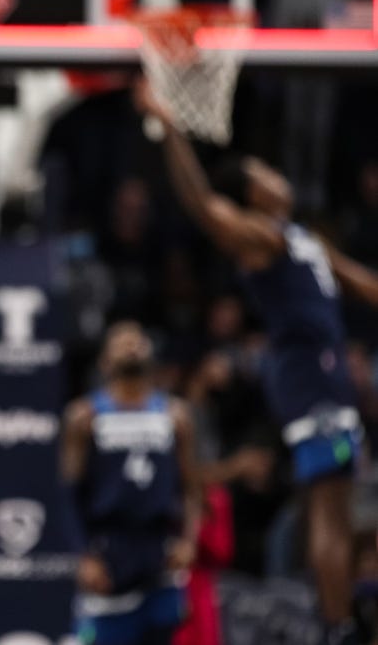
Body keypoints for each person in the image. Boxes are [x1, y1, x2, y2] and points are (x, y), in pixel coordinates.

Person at [137, 80, 374, 645]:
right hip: (307, 375)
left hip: (327, 371)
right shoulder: (260, 238)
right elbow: (201, 205)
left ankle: (339, 620)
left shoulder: (300, 237)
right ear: (254, 196)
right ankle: (337, 626)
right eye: (263, 173)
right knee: (329, 506)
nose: (276, 176)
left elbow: (363, 283)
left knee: (339, 506)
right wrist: (169, 126)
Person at [61, 321, 202, 645]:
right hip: (110, 548)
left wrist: (189, 541)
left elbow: (192, 487)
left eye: (138, 339)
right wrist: (83, 556)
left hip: (159, 547)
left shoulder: (175, 415)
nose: (132, 345)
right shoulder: (84, 417)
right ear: (105, 361)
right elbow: (68, 494)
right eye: (122, 341)